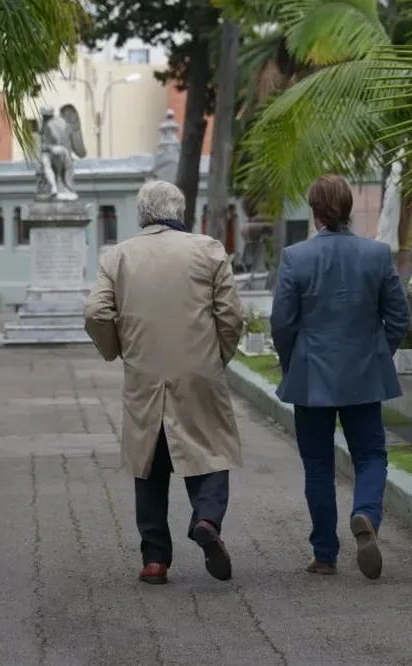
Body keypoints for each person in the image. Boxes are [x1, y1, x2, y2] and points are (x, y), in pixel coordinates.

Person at [84, 180, 245, 585]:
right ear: (180, 211)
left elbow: (96, 314)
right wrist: (218, 356)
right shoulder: (207, 249)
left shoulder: (117, 256)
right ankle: (207, 518)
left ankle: (155, 560)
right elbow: (230, 316)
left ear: (142, 215)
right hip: (199, 370)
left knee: (148, 462)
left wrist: (119, 350)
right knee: (210, 447)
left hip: (145, 372)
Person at [270, 174, 410, 579]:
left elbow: (282, 322)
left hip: (311, 377)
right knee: (370, 455)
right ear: (348, 209)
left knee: (317, 465)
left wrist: (290, 360)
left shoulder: (296, 258)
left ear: (315, 214)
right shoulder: (377, 255)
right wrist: (377, 352)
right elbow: (399, 316)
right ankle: (366, 515)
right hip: (364, 376)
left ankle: (325, 554)